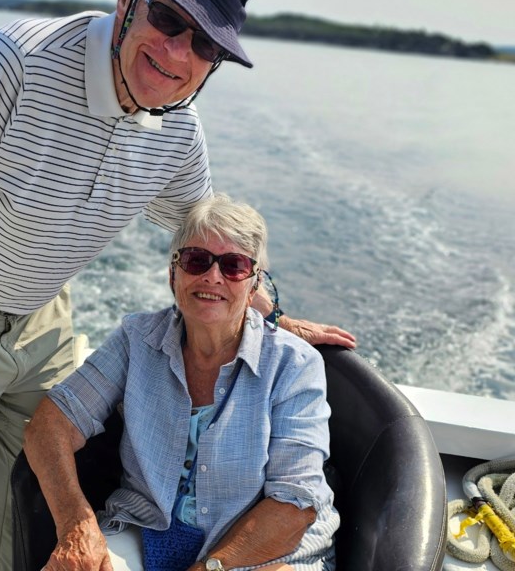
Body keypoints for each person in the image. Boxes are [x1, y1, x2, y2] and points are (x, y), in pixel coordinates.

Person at [0, 0, 354, 570]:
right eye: (167, 19)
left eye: (204, 43)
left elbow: (206, 241)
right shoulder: (13, 64)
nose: (176, 52)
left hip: (41, 314)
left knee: (16, 511)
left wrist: (265, 313)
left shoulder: (179, 135)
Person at [24, 194, 339, 571]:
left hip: (261, 552)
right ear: (173, 274)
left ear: (254, 284)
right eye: (196, 260)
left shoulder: (294, 364)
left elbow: (293, 506)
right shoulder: (137, 338)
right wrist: (76, 525)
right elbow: (49, 426)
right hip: (149, 527)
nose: (212, 276)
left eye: (234, 266)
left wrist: (208, 568)